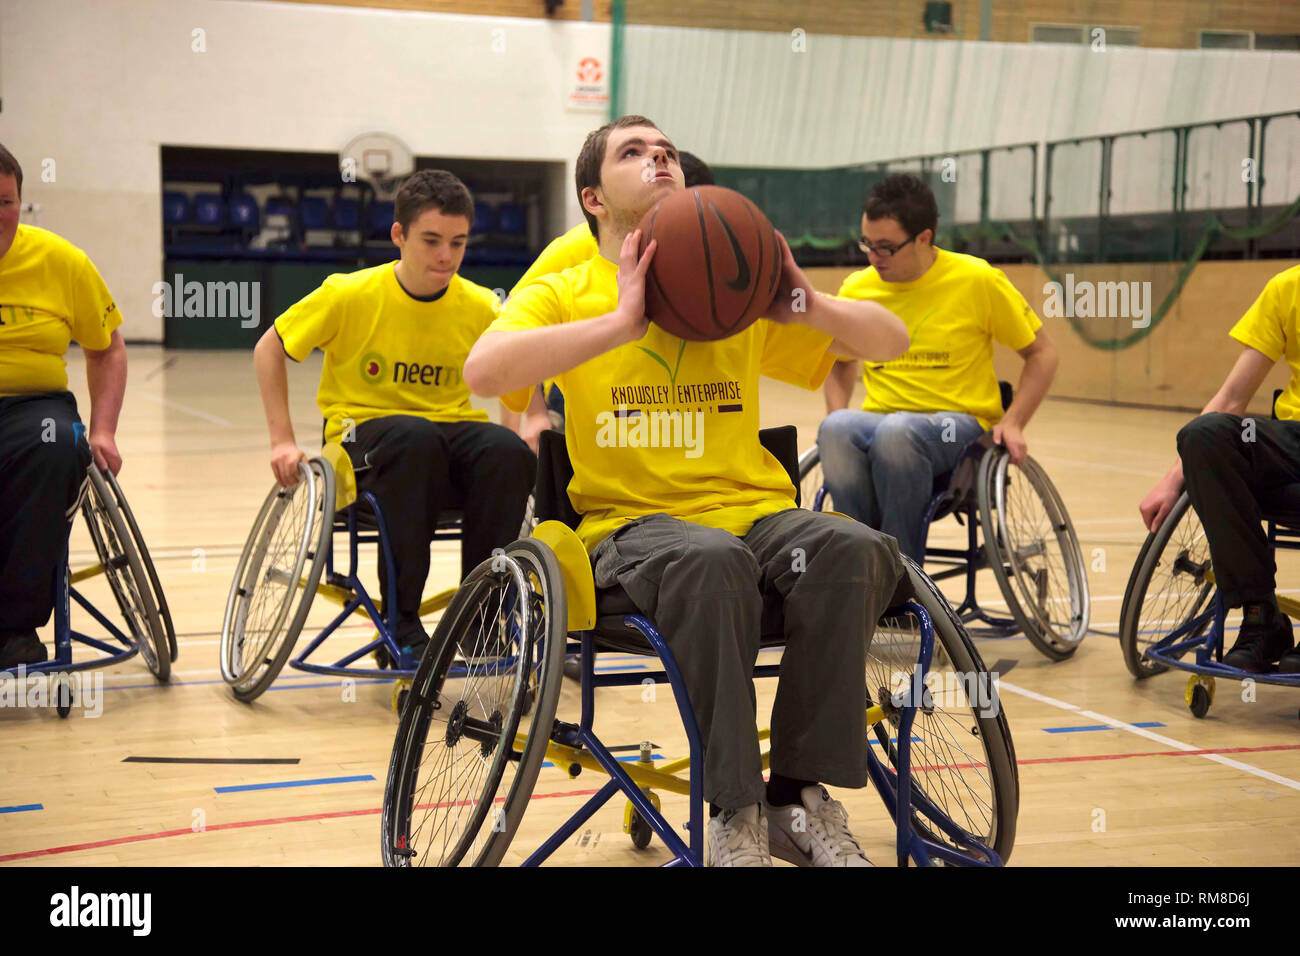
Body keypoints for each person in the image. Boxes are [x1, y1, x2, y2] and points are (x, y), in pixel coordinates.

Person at [465, 115, 909, 867]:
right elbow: (485, 372)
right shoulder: (570, 292)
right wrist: (620, 322)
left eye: (666, 150)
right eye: (633, 153)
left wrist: (805, 299)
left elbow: (890, 342)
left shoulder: (731, 294)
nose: (658, 158)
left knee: (853, 548)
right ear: (594, 198)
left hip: (757, 515)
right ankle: (731, 808)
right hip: (634, 530)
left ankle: (795, 798)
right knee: (711, 560)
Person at [253, 169, 535, 666]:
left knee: (507, 452)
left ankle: (481, 620)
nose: (446, 256)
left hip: (443, 444)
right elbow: (269, 348)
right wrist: (282, 440)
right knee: (415, 437)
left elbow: (515, 373)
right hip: (364, 440)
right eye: (431, 241)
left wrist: (512, 431)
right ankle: (401, 621)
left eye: (458, 242)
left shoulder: (480, 305)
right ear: (399, 235)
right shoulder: (349, 293)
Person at [816, 173, 1058, 562]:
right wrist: (838, 407)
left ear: (924, 238)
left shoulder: (977, 280)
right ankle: (860, 560)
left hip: (958, 427)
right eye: (867, 244)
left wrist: (1013, 422)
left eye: (885, 247)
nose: (872, 257)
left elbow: (1042, 353)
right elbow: (840, 362)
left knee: (898, 433)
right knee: (836, 428)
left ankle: (900, 576)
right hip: (882, 420)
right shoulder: (857, 289)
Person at [0, 143, 128, 668]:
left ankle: (13, 627)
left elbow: (106, 348)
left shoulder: (60, 260)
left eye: (5, 201)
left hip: (35, 407)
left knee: (60, 446)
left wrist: (103, 430)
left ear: (20, 201)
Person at [1140, 265, 1300, 674]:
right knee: (1205, 435)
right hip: (1292, 440)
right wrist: (1176, 477)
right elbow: (1230, 398)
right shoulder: (1288, 287)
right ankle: (1261, 616)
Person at [503, 151, 715, 451]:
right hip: (584, 382)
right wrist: (535, 415)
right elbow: (513, 318)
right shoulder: (584, 244)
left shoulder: (699, 251)